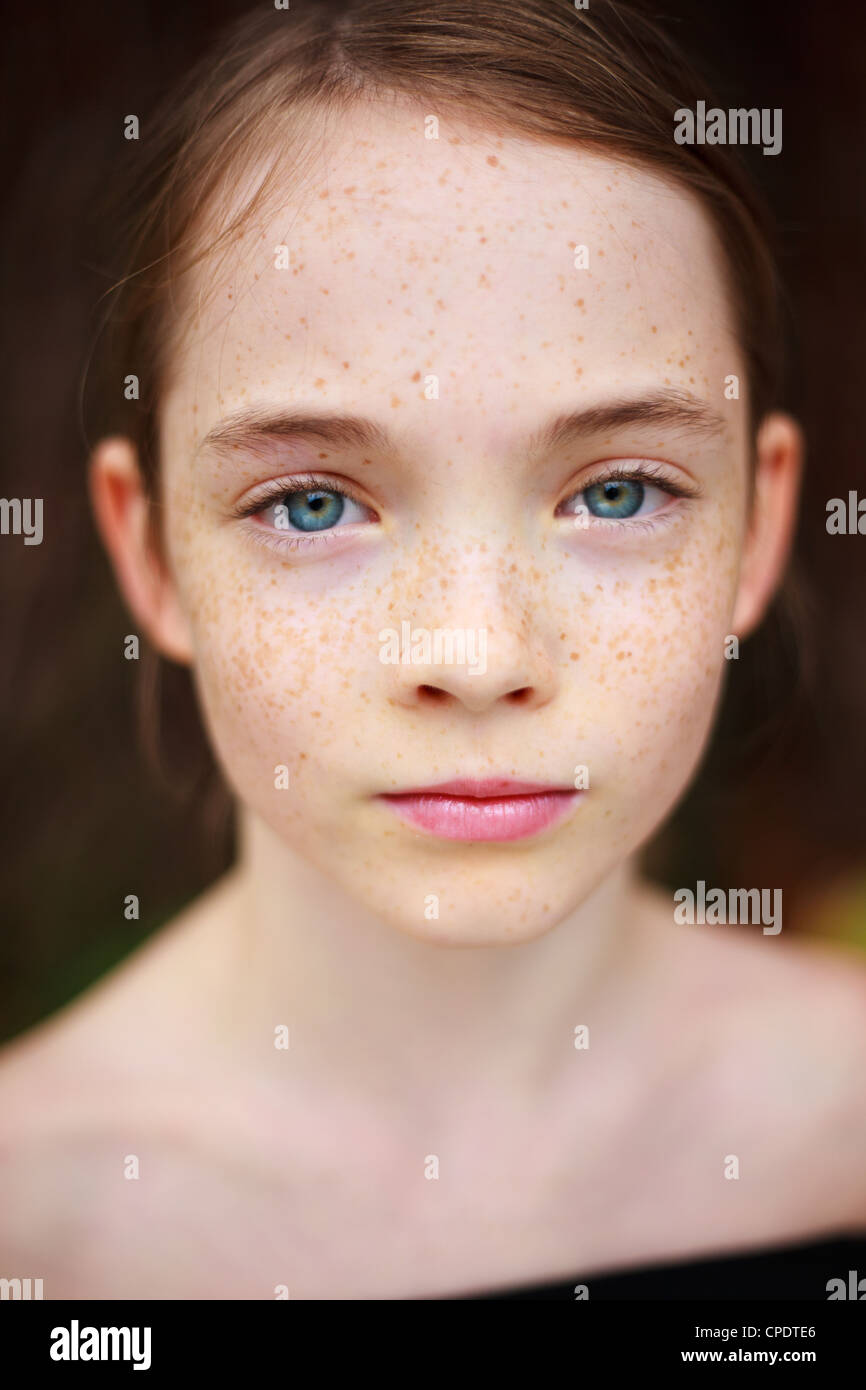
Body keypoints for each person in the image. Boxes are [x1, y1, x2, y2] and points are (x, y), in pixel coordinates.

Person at [1, 0, 864, 1300]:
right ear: (153, 554)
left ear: (754, 529)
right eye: (311, 504)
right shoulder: (35, 1227)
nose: (472, 652)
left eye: (618, 493)